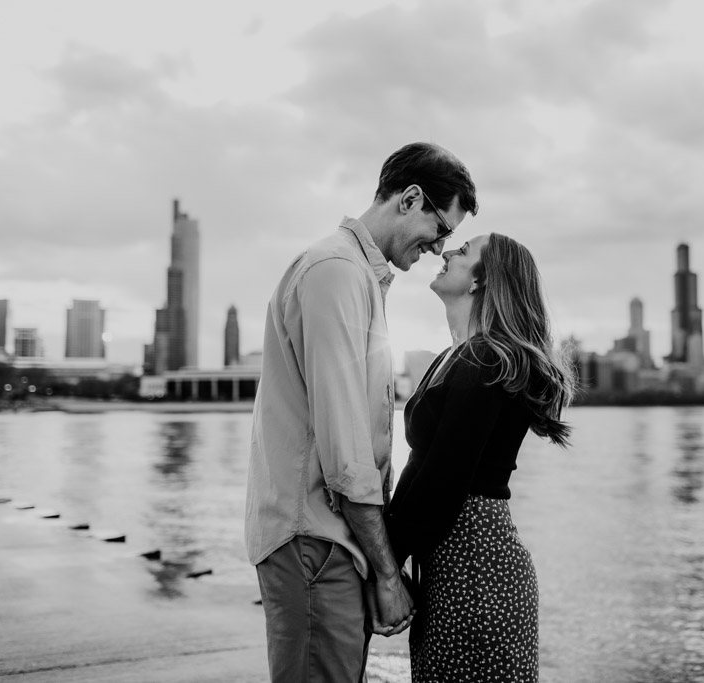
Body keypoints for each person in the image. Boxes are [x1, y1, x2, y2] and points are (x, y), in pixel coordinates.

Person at [245, 142, 478, 682]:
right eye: (441, 229)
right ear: (411, 198)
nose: (441, 248)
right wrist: (388, 574)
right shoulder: (337, 273)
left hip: (323, 542)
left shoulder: (355, 277)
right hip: (317, 543)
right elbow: (348, 456)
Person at [384, 232, 575, 682]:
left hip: (477, 573)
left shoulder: (488, 360)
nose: (447, 251)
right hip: (451, 566)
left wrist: (382, 567)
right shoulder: (453, 357)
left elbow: (443, 482)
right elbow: (422, 464)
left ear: (480, 281)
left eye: (464, 251)